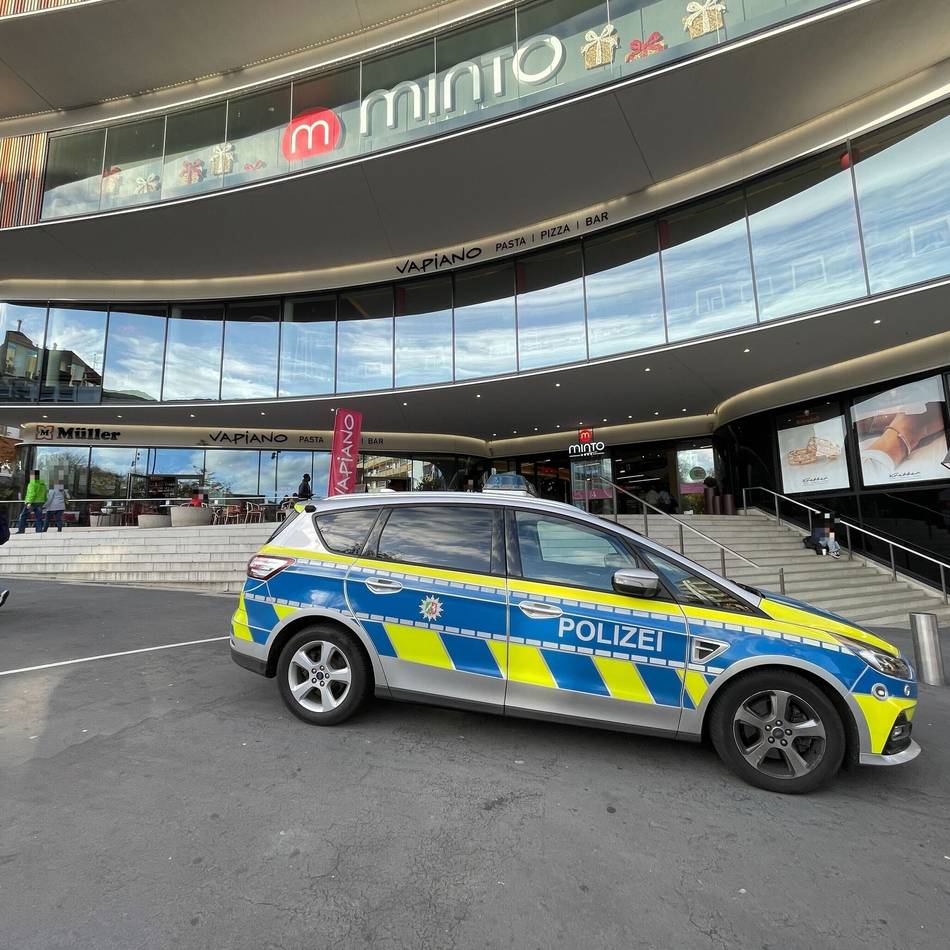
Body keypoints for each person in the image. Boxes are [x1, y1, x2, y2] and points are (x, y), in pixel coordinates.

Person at [16, 470, 47, 534]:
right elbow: (46, 494)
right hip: (40, 502)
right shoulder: (43, 484)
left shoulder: (32, 483)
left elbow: (32, 493)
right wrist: (44, 501)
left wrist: (29, 502)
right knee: (38, 517)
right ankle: (39, 530)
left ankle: (21, 530)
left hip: (32, 502)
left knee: (23, 516)